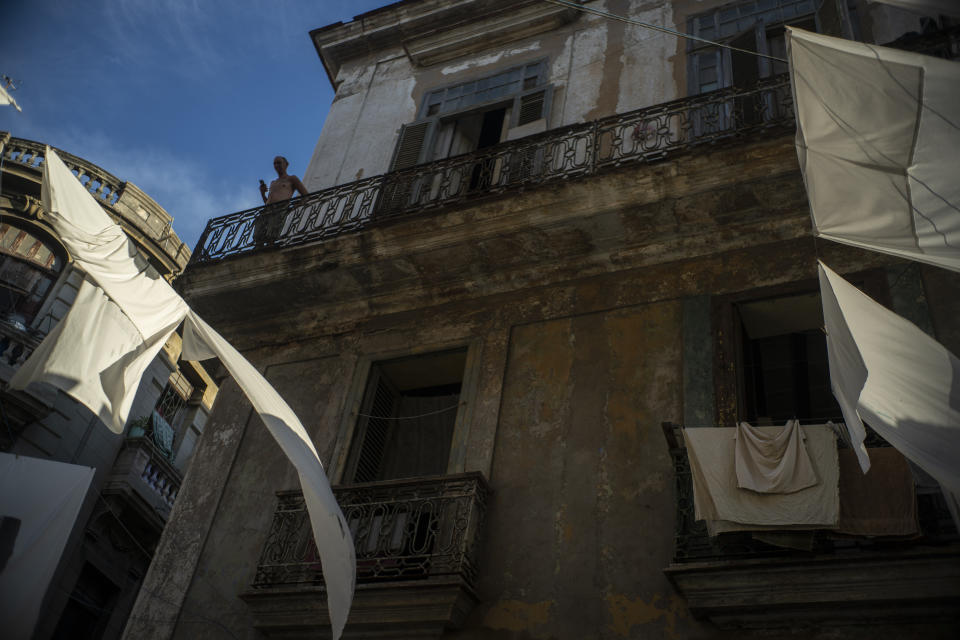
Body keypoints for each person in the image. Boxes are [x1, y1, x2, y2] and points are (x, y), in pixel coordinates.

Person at [253, 156, 309, 246]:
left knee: (271, 235)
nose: (276, 165)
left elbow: (306, 196)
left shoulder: (292, 179)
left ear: (286, 164)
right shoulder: (273, 182)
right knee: (258, 235)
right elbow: (268, 201)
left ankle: (270, 246)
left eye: (279, 163)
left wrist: (295, 206)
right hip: (266, 211)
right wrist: (262, 193)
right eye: (275, 163)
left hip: (279, 209)